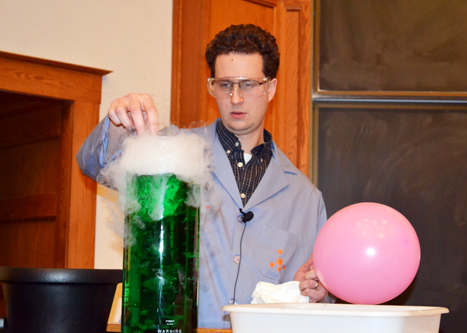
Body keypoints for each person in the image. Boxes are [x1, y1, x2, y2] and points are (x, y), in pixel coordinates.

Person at [77, 24, 328, 329]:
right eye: (224, 85)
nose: (235, 98)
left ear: (270, 88)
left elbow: (319, 302)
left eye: (248, 84)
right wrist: (117, 123)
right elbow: (94, 164)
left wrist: (312, 292)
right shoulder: (172, 155)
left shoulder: (306, 198)